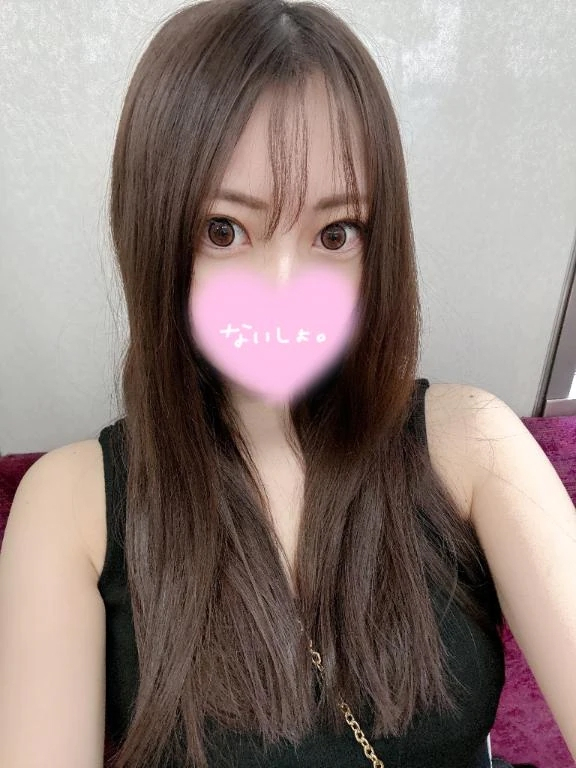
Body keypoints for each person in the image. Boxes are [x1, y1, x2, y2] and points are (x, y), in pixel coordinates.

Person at [1, 1, 519, 766]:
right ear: (156, 234)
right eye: (225, 231)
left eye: (335, 233)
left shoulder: (469, 440)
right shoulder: (72, 504)